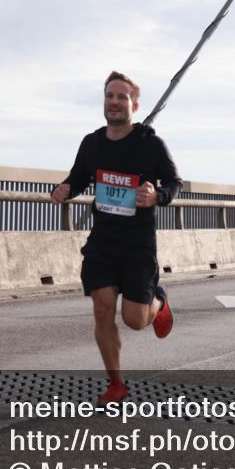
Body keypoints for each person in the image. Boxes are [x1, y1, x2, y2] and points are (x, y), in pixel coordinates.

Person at [51, 71, 183, 403]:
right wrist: (65, 189)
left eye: (121, 97)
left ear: (134, 105)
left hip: (138, 245)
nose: (114, 102)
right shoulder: (92, 143)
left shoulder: (150, 145)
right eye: (109, 96)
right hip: (102, 243)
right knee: (102, 307)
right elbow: (79, 177)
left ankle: (159, 303)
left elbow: (174, 182)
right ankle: (116, 384)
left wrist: (157, 196)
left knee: (135, 320)